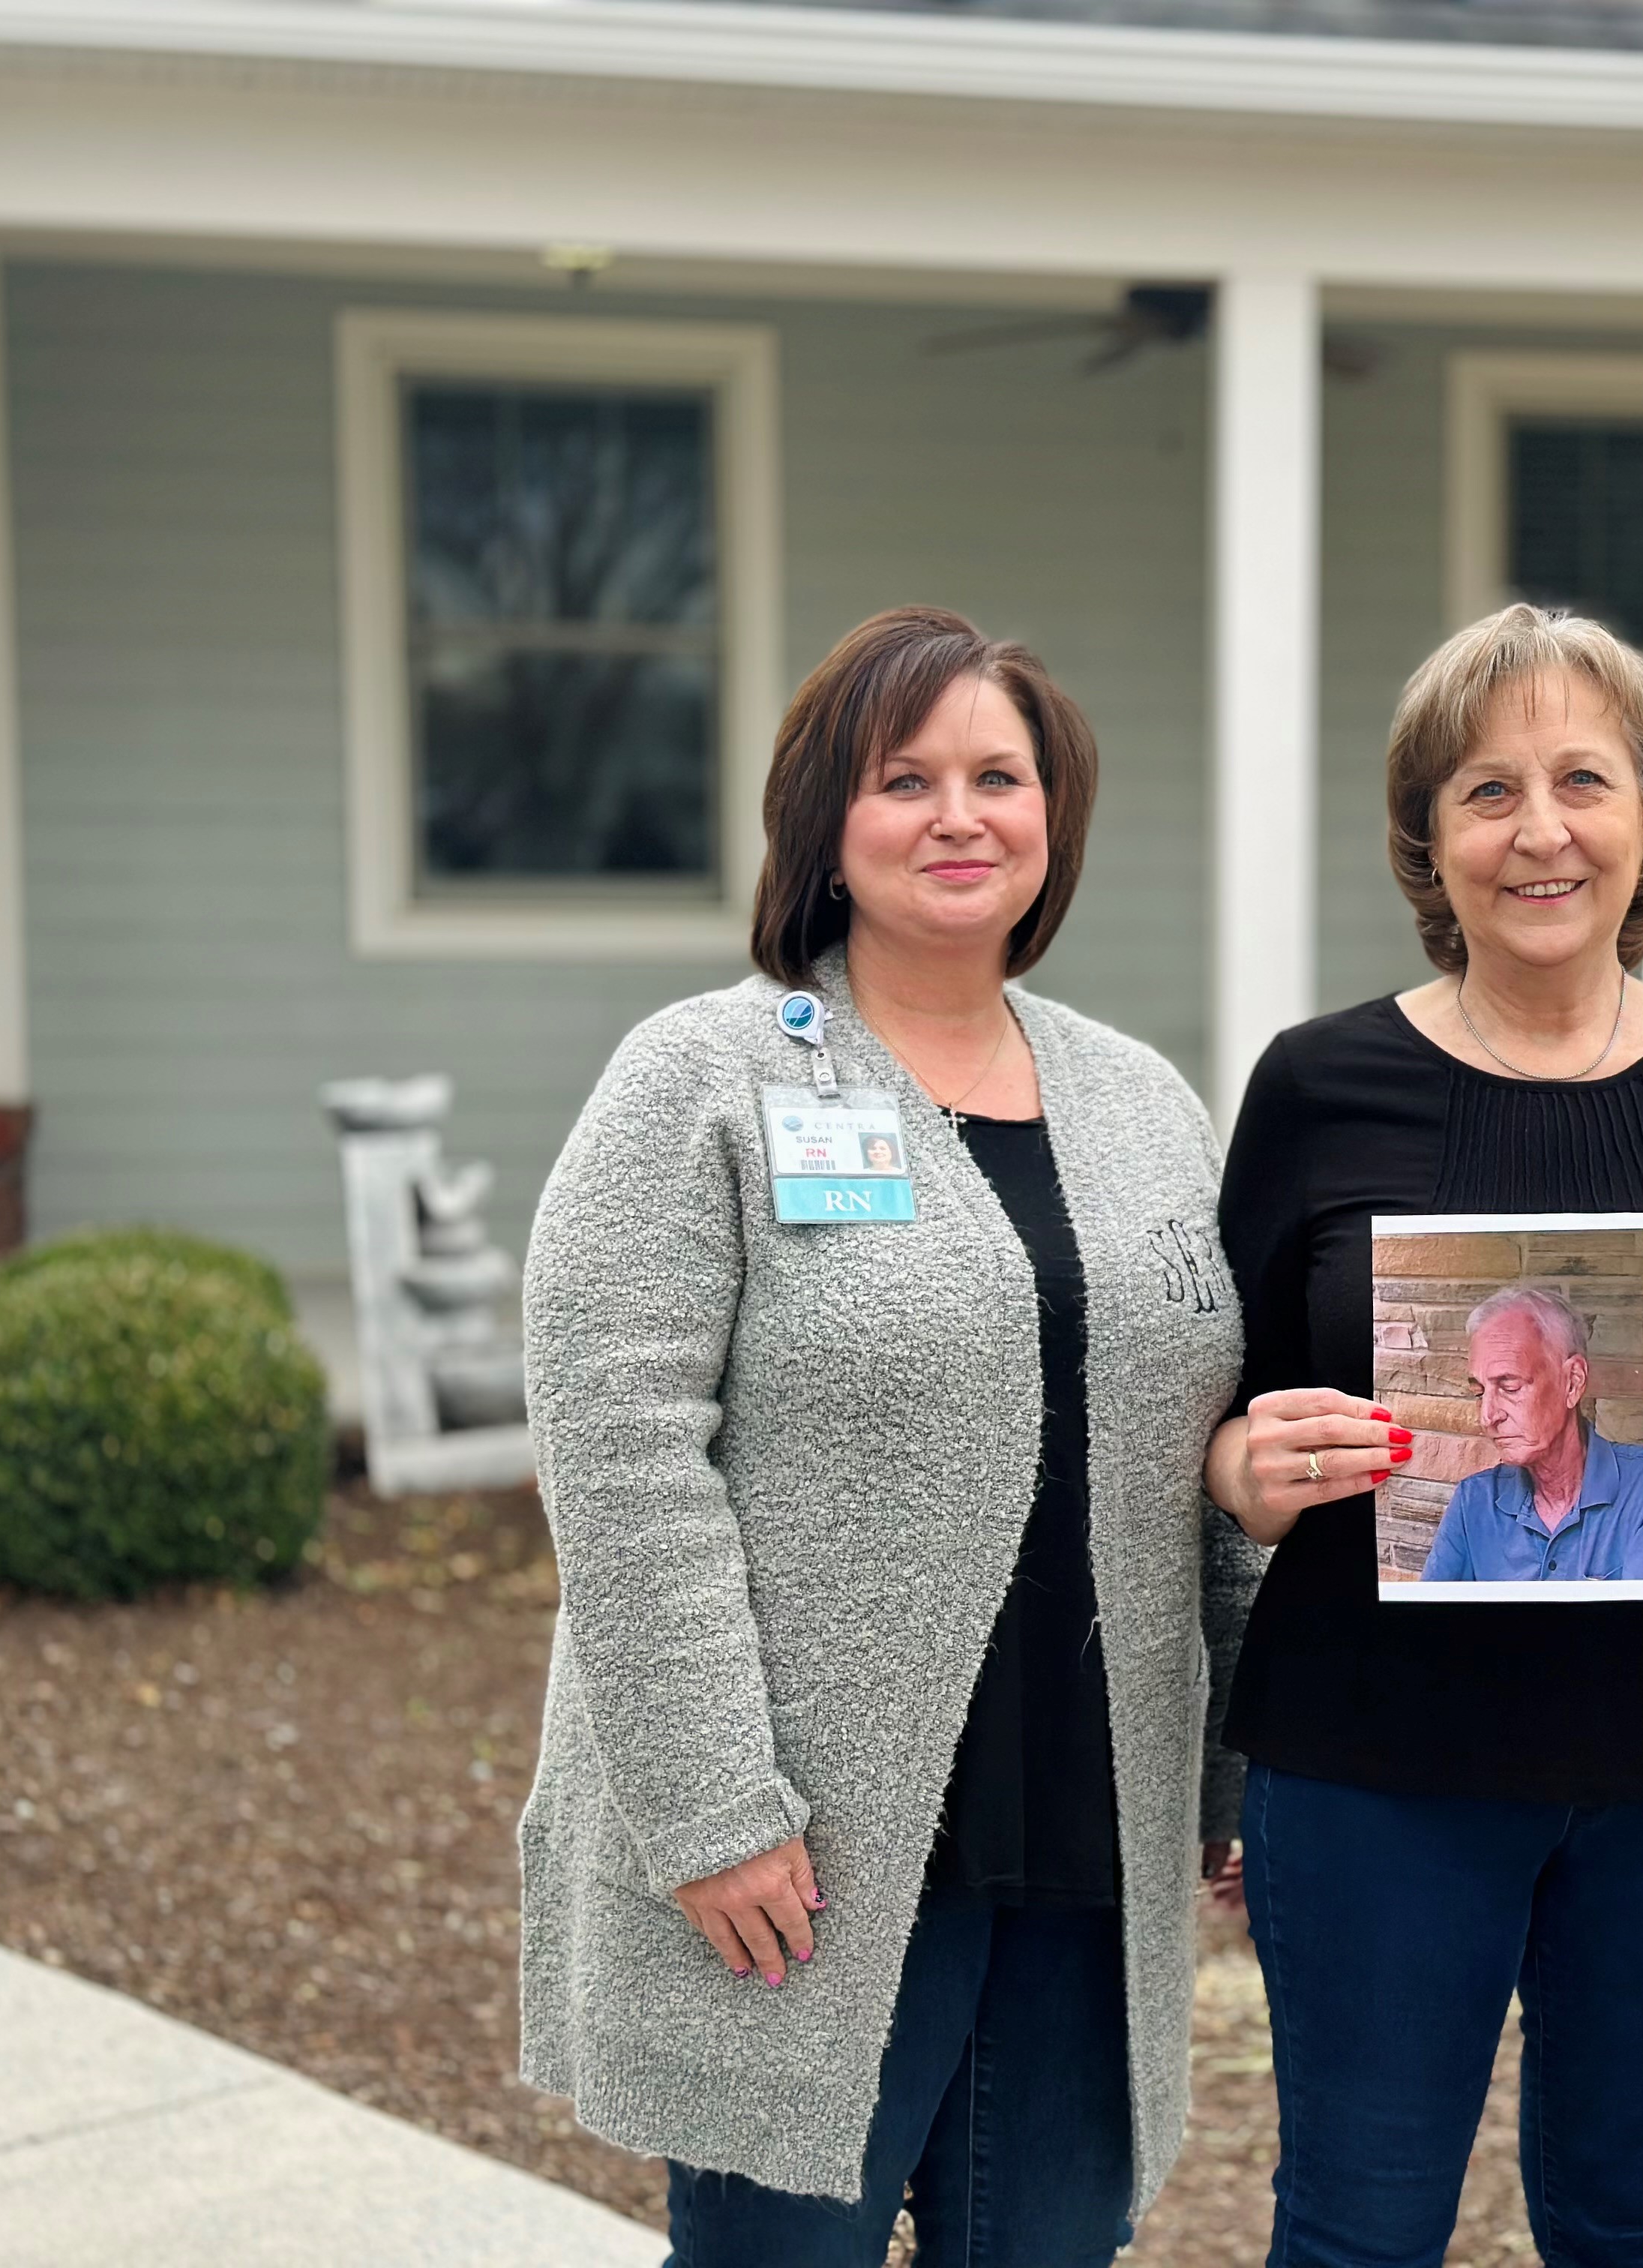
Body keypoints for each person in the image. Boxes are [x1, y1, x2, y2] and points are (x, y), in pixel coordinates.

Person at [516, 606, 1254, 2268]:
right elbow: (621, 1443)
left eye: (1000, 775)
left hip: (1087, 1838)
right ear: (824, 828)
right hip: (815, 1854)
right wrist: (710, 1804)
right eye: (904, 777)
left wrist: (1230, 1768)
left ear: (1050, 821)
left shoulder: (1143, 1099)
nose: (958, 814)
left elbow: (1211, 1443)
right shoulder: (701, 1076)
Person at [1205, 603, 1643, 2266]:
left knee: (1635, 2225)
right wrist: (1245, 1470)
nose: (1541, 829)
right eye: (1488, 791)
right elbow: (1218, 1411)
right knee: (1358, 2231)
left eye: (1585, 780)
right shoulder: (1314, 1086)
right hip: (1370, 1769)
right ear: (1430, 838)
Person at [1420, 1282, 1643, 1584]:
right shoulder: (1474, 1502)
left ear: (1572, 1382)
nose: (1488, 1417)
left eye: (1509, 1387)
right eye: (1479, 1393)